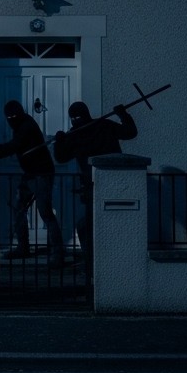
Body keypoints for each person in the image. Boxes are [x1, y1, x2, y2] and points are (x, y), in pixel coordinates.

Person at [0, 99, 66, 266]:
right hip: (30, 173)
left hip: (42, 173)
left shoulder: (26, 126)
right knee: (18, 208)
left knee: (45, 212)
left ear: (20, 114)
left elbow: (12, 146)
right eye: (9, 117)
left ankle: (58, 253)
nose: (11, 119)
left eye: (14, 116)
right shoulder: (20, 124)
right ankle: (23, 247)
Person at [52, 101, 138, 269]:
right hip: (111, 182)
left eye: (76, 117)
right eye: (73, 118)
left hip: (100, 184)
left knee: (89, 226)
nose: (75, 120)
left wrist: (59, 141)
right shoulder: (101, 126)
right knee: (95, 224)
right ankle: (99, 262)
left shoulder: (80, 133)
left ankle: (94, 264)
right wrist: (123, 114)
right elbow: (130, 131)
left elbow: (61, 157)